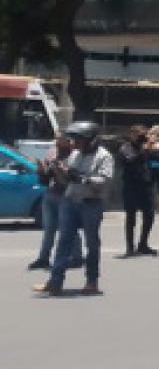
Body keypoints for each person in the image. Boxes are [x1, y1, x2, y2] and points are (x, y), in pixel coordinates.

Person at [34, 121, 113, 296]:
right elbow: (66, 181)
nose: (75, 144)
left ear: (91, 140)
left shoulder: (104, 156)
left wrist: (82, 178)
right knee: (63, 242)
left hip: (91, 203)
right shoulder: (76, 154)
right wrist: (58, 171)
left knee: (92, 243)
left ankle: (92, 281)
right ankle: (55, 282)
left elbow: (104, 181)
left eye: (79, 140)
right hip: (70, 201)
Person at [28, 134, 82, 271]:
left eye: (60, 140)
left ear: (69, 141)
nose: (57, 142)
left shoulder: (76, 155)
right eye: (56, 140)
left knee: (68, 227)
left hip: (67, 195)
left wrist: (62, 168)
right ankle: (43, 258)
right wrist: (42, 170)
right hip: (52, 193)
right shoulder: (52, 152)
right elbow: (46, 178)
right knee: (49, 229)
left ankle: (77, 257)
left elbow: (75, 177)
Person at [117, 125, 157, 258]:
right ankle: (130, 247)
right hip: (131, 186)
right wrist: (143, 150)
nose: (143, 138)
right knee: (131, 217)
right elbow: (131, 160)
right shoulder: (125, 147)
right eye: (140, 135)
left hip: (146, 185)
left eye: (144, 135)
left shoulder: (144, 147)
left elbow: (156, 158)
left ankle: (143, 244)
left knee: (149, 215)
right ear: (133, 135)